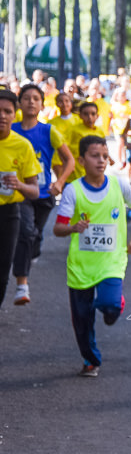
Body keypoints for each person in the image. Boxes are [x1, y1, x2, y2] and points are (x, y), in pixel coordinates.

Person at [53, 135, 131, 377]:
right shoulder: (73, 191)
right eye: (95, 156)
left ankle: (115, 304)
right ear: (82, 160)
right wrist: (73, 228)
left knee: (109, 305)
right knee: (82, 321)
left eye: (105, 156)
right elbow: (58, 228)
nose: (101, 161)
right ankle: (91, 360)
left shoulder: (119, 185)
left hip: (111, 263)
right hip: (81, 266)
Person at [11, 83, 76, 306]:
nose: (31, 102)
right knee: (27, 232)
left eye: (36, 98)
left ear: (41, 104)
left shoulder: (49, 131)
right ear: (19, 103)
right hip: (20, 192)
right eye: (26, 98)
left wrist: (60, 182)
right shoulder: (11, 129)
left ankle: (30, 252)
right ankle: (22, 284)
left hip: (44, 193)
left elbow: (70, 160)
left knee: (35, 235)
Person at [0, 89, 41, 307]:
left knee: (3, 267)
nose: (2, 116)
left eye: (7, 111)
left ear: (14, 114)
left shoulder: (22, 145)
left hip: (9, 212)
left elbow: (34, 191)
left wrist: (19, 185)